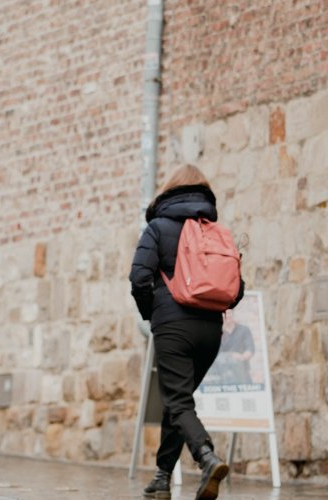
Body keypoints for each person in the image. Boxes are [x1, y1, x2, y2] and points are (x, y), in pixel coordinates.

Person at [129, 165, 244, 500]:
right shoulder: (217, 232)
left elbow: (138, 278)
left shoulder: (158, 228)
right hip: (211, 330)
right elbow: (236, 289)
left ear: (168, 191)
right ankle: (162, 477)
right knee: (178, 402)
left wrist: (152, 313)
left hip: (173, 325)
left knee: (177, 402)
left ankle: (207, 457)